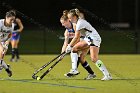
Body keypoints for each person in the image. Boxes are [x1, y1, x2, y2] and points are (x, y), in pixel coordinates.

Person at [65, 9, 112, 80]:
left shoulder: (80, 23)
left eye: (70, 18)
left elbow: (76, 37)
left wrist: (69, 46)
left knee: (94, 59)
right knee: (74, 49)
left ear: (74, 17)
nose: (69, 20)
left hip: (94, 38)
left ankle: (107, 75)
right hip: (89, 38)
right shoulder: (77, 23)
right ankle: (74, 70)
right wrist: (71, 46)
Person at [60, 10, 96, 79]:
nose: (62, 25)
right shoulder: (67, 32)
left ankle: (74, 70)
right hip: (85, 41)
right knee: (81, 59)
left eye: (63, 23)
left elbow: (77, 38)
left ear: (68, 20)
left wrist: (70, 46)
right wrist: (62, 54)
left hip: (89, 39)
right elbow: (65, 43)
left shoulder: (75, 26)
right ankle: (92, 74)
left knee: (73, 50)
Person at [0, 10, 16, 77]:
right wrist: (1, 47)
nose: (12, 22)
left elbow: (10, 35)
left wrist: (6, 44)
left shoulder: (12, 25)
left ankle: (6, 69)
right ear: (6, 17)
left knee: (0, 59)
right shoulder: (0, 23)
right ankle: (7, 69)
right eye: (11, 20)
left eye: (13, 20)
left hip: (4, 41)